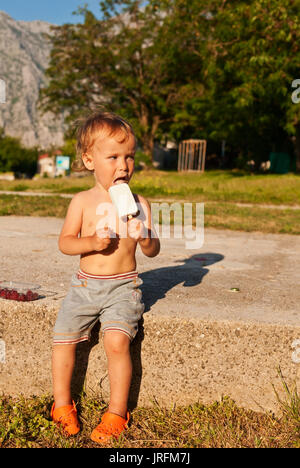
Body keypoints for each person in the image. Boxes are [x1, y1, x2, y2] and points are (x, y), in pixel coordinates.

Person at [51, 111, 160, 443]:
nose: (123, 165)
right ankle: (61, 404)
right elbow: (65, 243)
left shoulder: (140, 203)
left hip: (124, 287)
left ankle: (117, 411)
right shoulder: (82, 202)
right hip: (85, 285)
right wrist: (92, 242)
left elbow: (154, 250)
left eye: (129, 156)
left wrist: (145, 237)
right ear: (89, 160)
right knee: (62, 341)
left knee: (116, 342)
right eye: (113, 157)